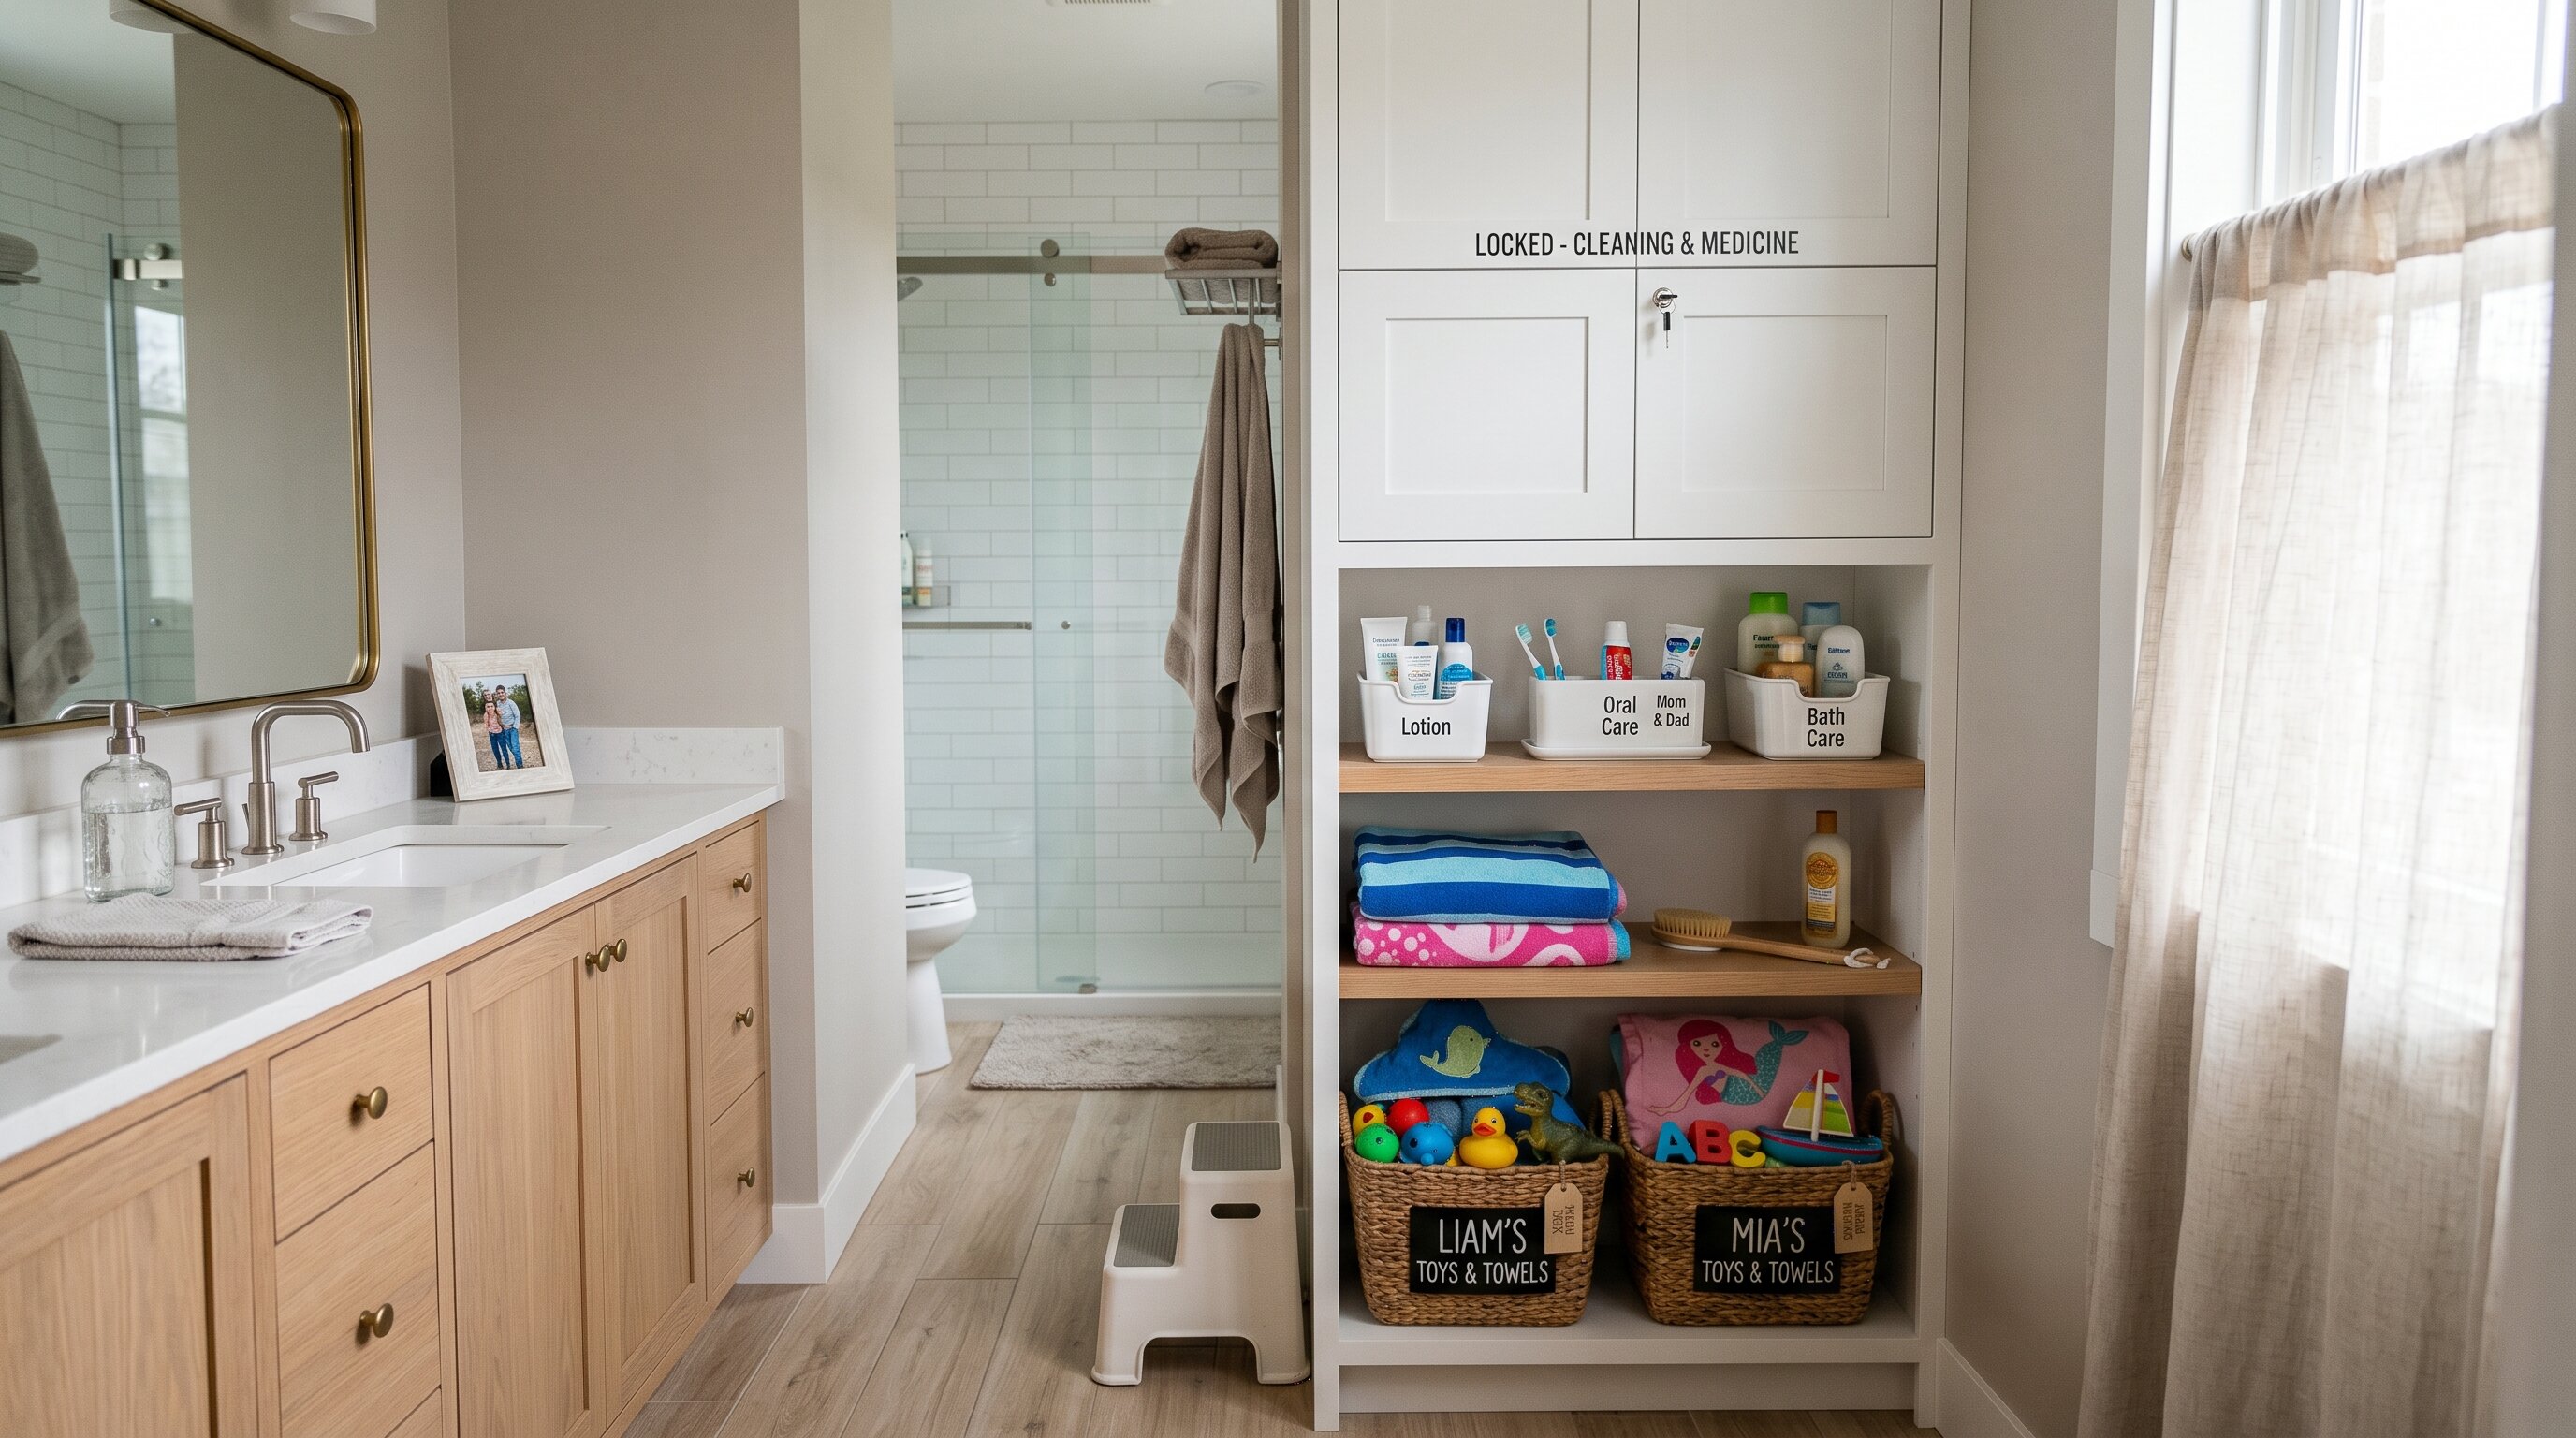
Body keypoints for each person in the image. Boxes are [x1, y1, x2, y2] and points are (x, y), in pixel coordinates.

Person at [497, 686, 526, 768]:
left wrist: (515, 728)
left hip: (512, 728)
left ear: (505, 693)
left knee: (515, 747)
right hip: (504, 730)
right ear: (497, 694)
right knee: (510, 747)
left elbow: (517, 715)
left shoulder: (511, 703)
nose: (500, 694)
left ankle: (520, 765)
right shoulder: (498, 704)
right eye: (498, 693)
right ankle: (519, 758)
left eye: (502, 692)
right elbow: (498, 716)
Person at [481, 686, 506, 770]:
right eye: (485, 695)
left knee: (504, 747)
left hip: (501, 729)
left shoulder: (497, 703)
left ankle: (508, 763)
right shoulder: (484, 706)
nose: (487, 696)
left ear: (491, 694)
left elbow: (502, 715)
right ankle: (499, 764)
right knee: (495, 748)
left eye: (488, 694)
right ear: (483, 697)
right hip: (491, 731)